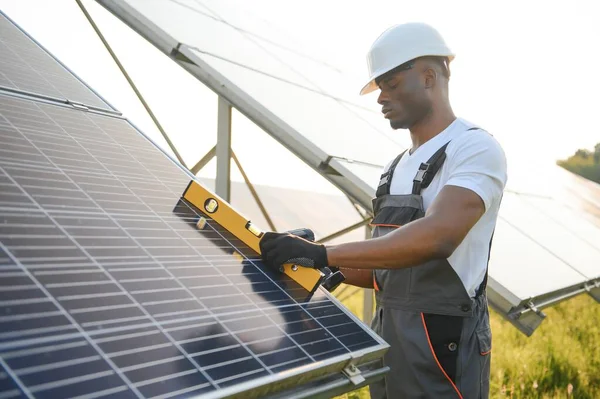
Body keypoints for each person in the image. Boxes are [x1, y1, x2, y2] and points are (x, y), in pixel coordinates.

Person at [260, 22, 507, 399]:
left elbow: (438, 236)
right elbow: (386, 270)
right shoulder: (395, 168)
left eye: (390, 84)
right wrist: (323, 264)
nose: (380, 98)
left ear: (428, 77)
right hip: (390, 333)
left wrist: (325, 253)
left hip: (444, 341)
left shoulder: (473, 149)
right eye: (380, 88)